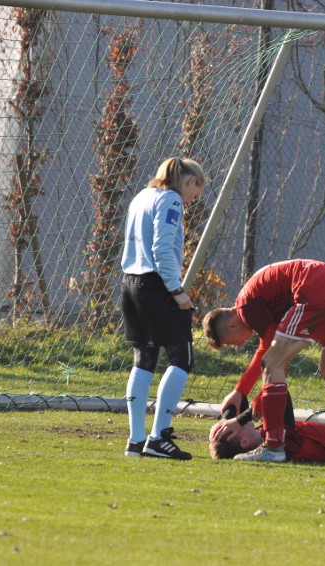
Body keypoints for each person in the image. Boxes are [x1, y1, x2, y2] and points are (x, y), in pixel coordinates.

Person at [202, 259, 325, 465]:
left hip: (319, 288)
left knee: (272, 364)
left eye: (231, 342)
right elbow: (268, 349)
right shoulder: (254, 300)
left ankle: (273, 447)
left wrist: (248, 409)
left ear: (232, 326)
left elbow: (273, 359)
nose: (240, 345)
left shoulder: (245, 305)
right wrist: (240, 392)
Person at [120, 157, 206, 460]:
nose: (193, 199)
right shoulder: (170, 199)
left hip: (130, 282)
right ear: (189, 181)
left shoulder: (142, 195)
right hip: (156, 285)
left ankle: (136, 440)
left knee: (144, 357)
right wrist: (176, 291)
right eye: (196, 191)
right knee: (182, 355)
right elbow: (161, 248)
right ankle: (158, 438)